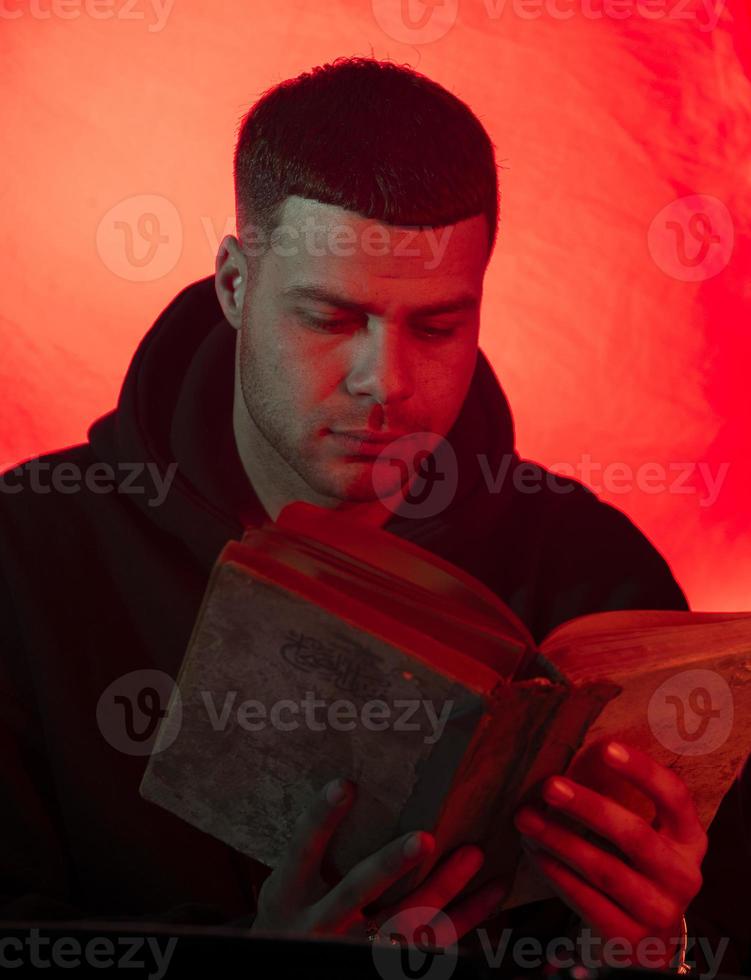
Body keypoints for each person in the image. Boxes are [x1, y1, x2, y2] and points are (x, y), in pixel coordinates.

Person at [0, 57, 747, 976]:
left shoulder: (598, 574)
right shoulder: (26, 557)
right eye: (329, 319)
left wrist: (651, 952)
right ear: (236, 284)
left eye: (435, 329)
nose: (383, 385)